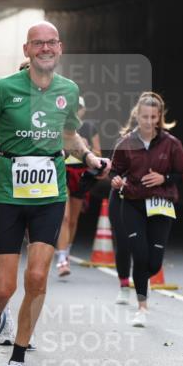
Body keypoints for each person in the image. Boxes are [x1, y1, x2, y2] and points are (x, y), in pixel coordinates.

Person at [0, 22, 109, 366]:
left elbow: (68, 135)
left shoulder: (68, 91)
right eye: (37, 43)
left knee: (38, 278)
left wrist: (89, 157)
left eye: (51, 43)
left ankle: (17, 364)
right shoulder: (3, 88)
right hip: (10, 195)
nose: (45, 48)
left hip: (50, 194)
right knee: (4, 287)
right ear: (27, 50)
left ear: (59, 48)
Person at [109, 92, 183, 327]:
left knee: (153, 262)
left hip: (161, 205)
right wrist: (116, 180)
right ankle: (142, 307)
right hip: (133, 203)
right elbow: (115, 170)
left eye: (153, 117)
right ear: (137, 115)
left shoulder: (171, 144)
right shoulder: (126, 142)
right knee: (140, 255)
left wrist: (163, 178)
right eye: (144, 116)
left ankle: (145, 282)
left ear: (159, 118)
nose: (148, 121)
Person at [55, 97, 102, 276]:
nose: (76, 111)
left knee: (74, 219)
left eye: (79, 107)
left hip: (81, 174)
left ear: (83, 110)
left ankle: (66, 251)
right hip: (64, 172)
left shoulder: (89, 127)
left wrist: (87, 147)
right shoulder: (60, 126)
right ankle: (61, 260)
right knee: (64, 218)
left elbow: (97, 153)